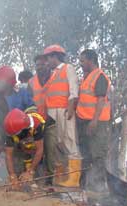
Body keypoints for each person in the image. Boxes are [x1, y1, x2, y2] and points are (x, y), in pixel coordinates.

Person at [43, 44, 81, 187]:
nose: (47, 61)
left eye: (48, 58)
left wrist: (70, 109)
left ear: (55, 56)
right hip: (52, 113)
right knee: (57, 143)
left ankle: (74, 179)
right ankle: (60, 177)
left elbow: (73, 90)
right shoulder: (52, 73)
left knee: (69, 140)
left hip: (64, 110)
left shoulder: (68, 68)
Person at [77, 49, 111, 192]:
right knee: (85, 155)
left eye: (83, 61)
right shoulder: (86, 77)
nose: (81, 64)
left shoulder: (100, 76)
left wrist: (94, 121)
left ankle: (98, 188)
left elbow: (101, 100)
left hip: (96, 123)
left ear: (91, 60)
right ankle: (84, 186)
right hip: (84, 122)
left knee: (97, 155)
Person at [3, 109, 48, 190]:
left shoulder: (36, 125)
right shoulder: (11, 128)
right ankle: (21, 175)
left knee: (49, 150)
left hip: (48, 128)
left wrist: (30, 171)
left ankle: (47, 180)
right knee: (20, 151)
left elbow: (39, 150)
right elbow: (8, 155)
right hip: (27, 133)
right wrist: (12, 175)